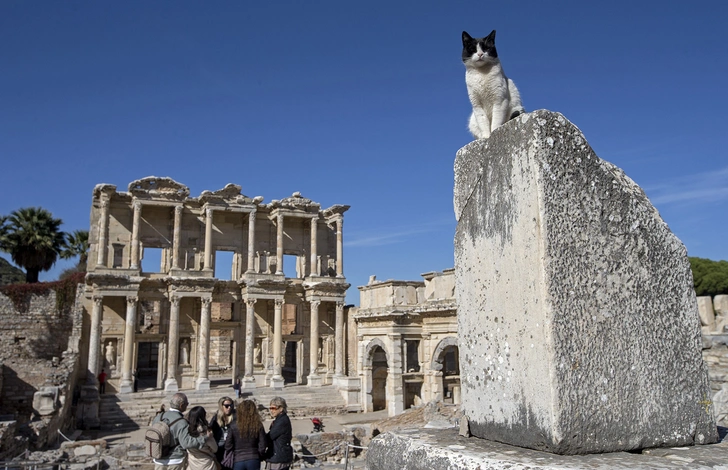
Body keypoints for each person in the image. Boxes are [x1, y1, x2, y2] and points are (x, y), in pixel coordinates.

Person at [151, 393, 208, 470]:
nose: (187, 405)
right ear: (181, 405)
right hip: (175, 460)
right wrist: (204, 438)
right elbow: (186, 443)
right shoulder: (181, 421)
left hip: (158, 458)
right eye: (187, 403)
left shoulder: (158, 417)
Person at [224, 400, 267, 470]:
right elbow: (262, 444)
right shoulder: (258, 425)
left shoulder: (234, 425)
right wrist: (260, 455)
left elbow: (228, 445)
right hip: (253, 457)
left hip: (238, 459)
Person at [186, 406, 221, 470]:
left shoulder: (186, 432)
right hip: (207, 465)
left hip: (192, 464)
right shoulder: (205, 432)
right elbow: (215, 449)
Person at [266, 397, 293, 470]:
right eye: (270, 408)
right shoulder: (279, 420)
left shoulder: (282, 421)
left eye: (273, 408)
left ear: (281, 409)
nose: (271, 411)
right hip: (277, 455)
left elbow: (270, 436)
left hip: (279, 457)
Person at [210, 396, 235, 470]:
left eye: (231, 405)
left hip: (231, 450)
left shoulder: (235, 417)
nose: (229, 408)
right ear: (221, 406)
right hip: (219, 449)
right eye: (226, 406)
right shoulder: (216, 419)